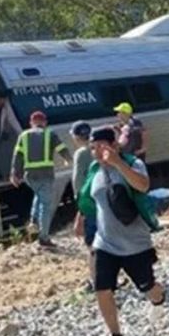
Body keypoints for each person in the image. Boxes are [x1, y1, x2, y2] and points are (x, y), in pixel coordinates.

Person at [78, 127, 166, 336]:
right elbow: (90, 196)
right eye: (92, 147)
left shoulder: (132, 163)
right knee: (102, 288)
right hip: (104, 242)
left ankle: (159, 299)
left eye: (101, 146)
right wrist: (80, 217)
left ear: (114, 145)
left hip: (135, 242)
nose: (96, 152)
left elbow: (143, 186)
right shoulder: (94, 169)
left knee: (148, 287)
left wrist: (117, 163)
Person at [10, 111, 72, 247]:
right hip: (46, 174)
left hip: (30, 176)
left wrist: (15, 174)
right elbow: (62, 149)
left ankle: (33, 220)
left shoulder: (23, 135)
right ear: (45, 122)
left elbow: (18, 156)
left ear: (31, 123)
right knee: (46, 205)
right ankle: (44, 237)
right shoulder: (50, 134)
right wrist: (68, 160)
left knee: (38, 195)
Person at [70, 121, 96, 290]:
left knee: (92, 243)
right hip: (105, 201)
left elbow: (79, 183)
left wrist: (80, 211)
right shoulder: (99, 149)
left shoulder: (82, 154)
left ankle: (96, 280)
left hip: (90, 204)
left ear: (76, 137)